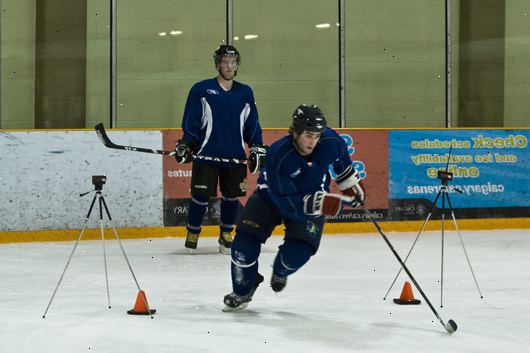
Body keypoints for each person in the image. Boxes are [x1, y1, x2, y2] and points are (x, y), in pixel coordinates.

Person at [222, 104, 365, 310]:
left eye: (317, 135)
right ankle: (243, 290)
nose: (313, 142)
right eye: (308, 135)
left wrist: (352, 187)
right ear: (295, 132)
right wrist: (317, 203)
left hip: (311, 199)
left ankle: (280, 271)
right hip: (269, 197)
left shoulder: (332, 142)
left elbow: (343, 167)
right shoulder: (279, 155)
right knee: (242, 248)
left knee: (297, 254)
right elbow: (284, 199)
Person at [175, 44, 267, 254]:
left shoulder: (245, 92)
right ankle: (193, 232)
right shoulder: (201, 89)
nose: (229, 66)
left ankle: (226, 234)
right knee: (199, 197)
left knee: (232, 197)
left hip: (234, 156)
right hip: (206, 155)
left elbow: (251, 123)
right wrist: (187, 143)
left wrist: (256, 147)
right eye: (225, 62)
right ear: (218, 64)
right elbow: (192, 120)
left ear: (237, 65)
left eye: (232, 62)